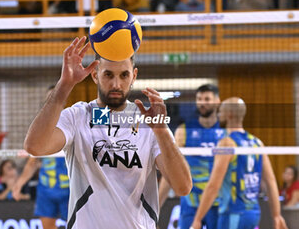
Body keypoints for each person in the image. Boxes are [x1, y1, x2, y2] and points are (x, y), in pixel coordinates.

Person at [23, 36, 192, 229]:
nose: (116, 85)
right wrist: (65, 85)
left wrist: (161, 131)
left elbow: (183, 187)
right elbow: (34, 147)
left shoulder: (149, 121)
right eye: (108, 75)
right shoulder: (78, 116)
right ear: (95, 75)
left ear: (134, 76)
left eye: (124, 75)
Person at [191, 97, 288, 229]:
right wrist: (276, 215)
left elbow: (214, 185)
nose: (219, 115)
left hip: (233, 214)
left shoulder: (226, 143)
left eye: (221, 111)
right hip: (253, 213)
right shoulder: (257, 143)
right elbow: (271, 182)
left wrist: (198, 218)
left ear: (229, 115)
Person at [159, 84, 225, 229]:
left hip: (219, 204)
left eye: (207, 99)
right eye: (199, 99)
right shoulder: (184, 131)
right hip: (190, 204)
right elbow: (171, 170)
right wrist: (156, 205)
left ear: (217, 101)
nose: (202, 103)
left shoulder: (226, 132)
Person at [12, 85, 70, 229]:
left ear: (63, 101)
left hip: (70, 189)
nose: (53, 101)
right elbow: (32, 162)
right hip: (46, 189)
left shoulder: (71, 122)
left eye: (56, 97)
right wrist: (19, 184)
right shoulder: (41, 127)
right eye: (50, 98)